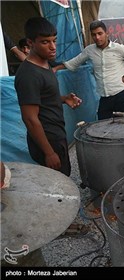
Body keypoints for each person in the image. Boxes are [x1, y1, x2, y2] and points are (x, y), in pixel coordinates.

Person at [14, 17, 82, 177]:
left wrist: (64, 98)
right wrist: (49, 152)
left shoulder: (45, 64)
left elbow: (44, 98)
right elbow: (30, 119)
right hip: (47, 140)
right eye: (45, 42)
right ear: (30, 43)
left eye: (54, 41)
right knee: (59, 186)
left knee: (65, 177)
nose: (52, 47)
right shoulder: (28, 75)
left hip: (56, 134)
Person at [53, 20, 124, 120]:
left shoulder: (119, 49)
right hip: (104, 98)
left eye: (100, 33)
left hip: (121, 95)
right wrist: (56, 68)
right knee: (102, 128)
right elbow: (74, 63)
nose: (97, 37)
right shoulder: (90, 50)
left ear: (107, 33)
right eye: (94, 35)